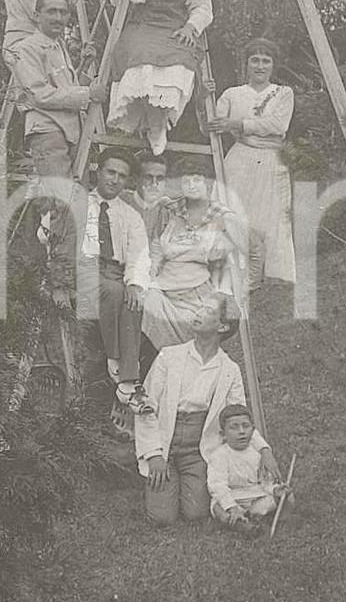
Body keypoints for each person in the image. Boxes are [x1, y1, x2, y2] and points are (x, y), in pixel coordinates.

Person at [135, 292, 272, 526]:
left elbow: (238, 416)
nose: (197, 313)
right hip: (164, 441)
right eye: (198, 308)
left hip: (197, 449)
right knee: (162, 518)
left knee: (196, 514)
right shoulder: (169, 356)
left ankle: (186, 480)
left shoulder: (229, 369)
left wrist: (264, 450)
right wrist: (154, 454)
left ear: (222, 326)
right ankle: (164, 480)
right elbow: (144, 407)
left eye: (207, 311)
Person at [106, 0, 213, 155]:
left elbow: (203, 5)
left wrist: (190, 28)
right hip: (143, 23)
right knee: (139, 54)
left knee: (179, 58)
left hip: (175, 25)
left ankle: (156, 123)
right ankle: (147, 123)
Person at [57, 149, 152, 411]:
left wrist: (134, 283)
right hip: (83, 269)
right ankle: (117, 363)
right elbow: (48, 233)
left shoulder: (130, 215)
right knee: (114, 291)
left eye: (122, 176)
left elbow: (139, 254)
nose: (115, 180)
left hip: (114, 272)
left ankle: (127, 381)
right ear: (98, 171)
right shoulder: (78, 203)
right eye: (110, 172)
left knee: (132, 298)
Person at [207, 37, 296, 288]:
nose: (260, 66)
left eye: (266, 61)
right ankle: (227, 272)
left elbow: (278, 125)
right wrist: (204, 96)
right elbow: (212, 124)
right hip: (240, 159)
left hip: (271, 160)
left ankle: (268, 276)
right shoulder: (232, 94)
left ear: (273, 65)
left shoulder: (283, 93)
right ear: (246, 64)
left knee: (270, 216)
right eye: (254, 60)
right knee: (233, 212)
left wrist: (238, 124)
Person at [140, 156, 248, 352]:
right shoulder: (171, 210)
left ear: (207, 183)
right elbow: (156, 246)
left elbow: (235, 258)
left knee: (191, 329)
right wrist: (153, 269)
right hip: (163, 286)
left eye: (197, 180)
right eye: (186, 181)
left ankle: (181, 358)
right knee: (142, 303)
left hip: (197, 295)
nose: (191, 185)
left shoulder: (221, 216)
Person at [11, 0, 108, 180]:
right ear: (36, 16)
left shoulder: (58, 46)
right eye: (51, 11)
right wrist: (88, 94)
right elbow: (40, 95)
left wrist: (84, 65)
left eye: (63, 12)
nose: (58, 18)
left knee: (75, 193)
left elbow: (65, 89)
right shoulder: (25, 49)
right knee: (60, 194)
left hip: (72, 132)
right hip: (48, 132)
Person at [206, 402, 290, 535]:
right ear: (223, 434)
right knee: (218, 507)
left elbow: (265, 483)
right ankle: (237, 522)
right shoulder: (219, 456)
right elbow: (218, 486)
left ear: (253, 429)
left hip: (255, 496)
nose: (241, 432)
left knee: (284, 496)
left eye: (246, 426)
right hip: (233, 497)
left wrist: (275, 489)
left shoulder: (258, 454)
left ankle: (256, 517)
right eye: (234, 427)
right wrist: (232, 507)